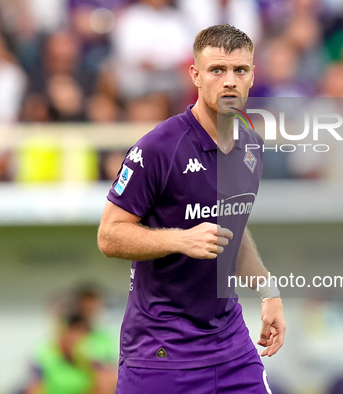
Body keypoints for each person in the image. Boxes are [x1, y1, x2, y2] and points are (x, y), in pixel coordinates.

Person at [97, 24, 285, 393]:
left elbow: (233, 231)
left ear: (251, 77)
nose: (229, 81)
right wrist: (181, 240)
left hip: (230, 346)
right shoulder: (157, 149)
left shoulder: (250, 147)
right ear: (195, 76)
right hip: (161, 353)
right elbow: (109, 235)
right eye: (217, 70)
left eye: (240, 71)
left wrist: (268, 292)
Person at [25, 313, 116, 394]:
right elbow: (34, 388)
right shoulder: (46, 356)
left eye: (80, 334)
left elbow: (107, 381)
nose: (75, 340)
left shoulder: (89, 360)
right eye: (72, 333)